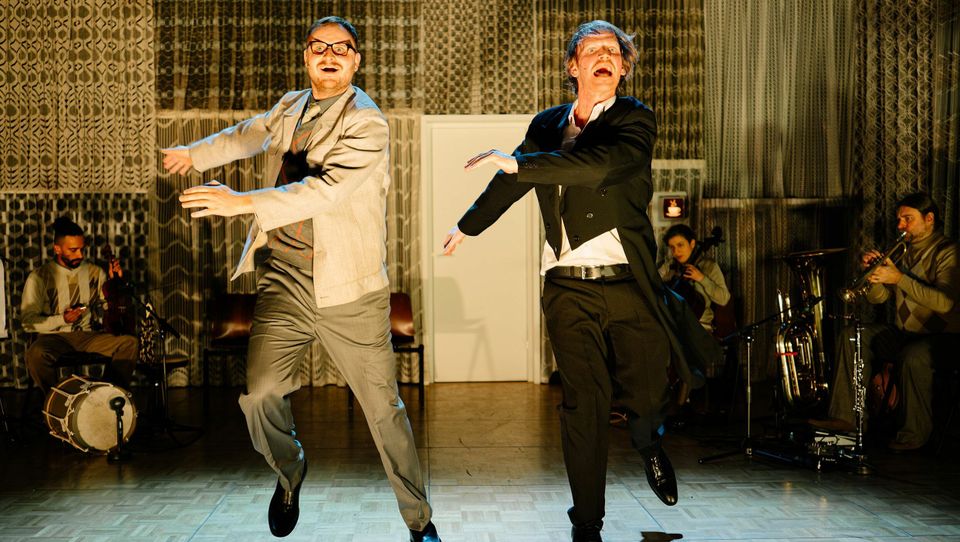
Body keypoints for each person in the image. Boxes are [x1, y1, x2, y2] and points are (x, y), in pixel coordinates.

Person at [160, 16, 439, 541]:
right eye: (318, 47)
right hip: (285, 278)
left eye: (341, 48)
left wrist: (241, 203)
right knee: (260, 393)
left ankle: (420, 522)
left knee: (384, 410)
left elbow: (325, 191)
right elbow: (249, 133)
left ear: (356, 61)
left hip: (351, 289)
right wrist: (195, 154)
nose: (329, 55)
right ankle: (290, 471)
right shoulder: (291, 105)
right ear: (307, 56)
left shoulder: (368, 123)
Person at [442, 20, 718, 542]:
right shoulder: (547, 124)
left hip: (630, 282)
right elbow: (510, 180)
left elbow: (598, 165)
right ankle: (587, 520)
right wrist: (468, 225)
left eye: (613, 51)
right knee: (583, 404)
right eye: (593, 50)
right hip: (567, 286)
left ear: (623, 67)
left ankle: (648, 441)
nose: (605, 57)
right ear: (573, 66)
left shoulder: (635, 118)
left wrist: (520, 165)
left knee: (646, 390)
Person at [811, 193, 960, 451]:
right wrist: (873, 277)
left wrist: (899, 278)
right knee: (852, 335)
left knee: (913, 356)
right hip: (905, 333)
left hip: (945, 338)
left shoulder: (948, 251)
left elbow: (945, 303)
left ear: (929, 219)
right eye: (899, 219)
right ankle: (847, 419)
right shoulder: (903, 252)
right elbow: (879, 299)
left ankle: (914, 435)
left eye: (907, 219)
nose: (900, 225)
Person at [21, 217, 138, 391]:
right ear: (57, 249)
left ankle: (107, 395)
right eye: (73, 250)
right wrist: (63, 319)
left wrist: (115, 283)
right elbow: (28, 322)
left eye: (82, 249)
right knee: (36, 355)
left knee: (129, 343)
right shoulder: (39, 277)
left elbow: (110, 310)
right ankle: (57, 400)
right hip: (54, 337)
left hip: (89, 336)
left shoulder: (95, 272)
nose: (80, 255)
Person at [658, 224, 731, 333]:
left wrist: (701, 278)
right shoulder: (669, 267)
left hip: (701, 328)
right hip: (671, 328)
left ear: (692, 244)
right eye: (672, 247)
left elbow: (724, 299)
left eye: (680, 245)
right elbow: (653, 289)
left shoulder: (709, 267)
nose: (676, 252)